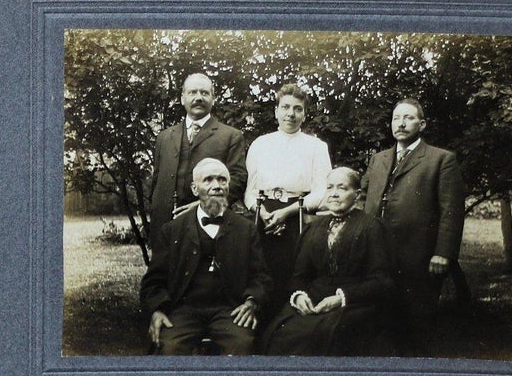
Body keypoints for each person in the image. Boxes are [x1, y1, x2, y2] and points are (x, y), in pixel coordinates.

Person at [361, 97, 467, 346]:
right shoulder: (379, 159)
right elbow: (361, 197)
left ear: (422, 124)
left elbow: (451, 210)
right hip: (377, 256)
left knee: (416, 327)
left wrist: (443, 253)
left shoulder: (441, 159)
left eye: (408, 118)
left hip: (419, 257)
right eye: (396, 118)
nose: (401, 123)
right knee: (380, 325)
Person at [261, 168, 397, 357]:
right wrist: (299, 296)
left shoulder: (372, 227)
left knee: (325, 334)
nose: (334, 194)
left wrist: (341, 298)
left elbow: (382, 281)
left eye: (342, 188)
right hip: (314, 300)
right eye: (330, 187)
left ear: (356, 195)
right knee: (282, 331)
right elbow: (299, 277)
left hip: (355, 303)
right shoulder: (313, 228)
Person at [140, 158, 270, 355]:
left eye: (222, 180)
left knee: (242, 345)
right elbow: (153, 281)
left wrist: (251, 302)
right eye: (208, 180)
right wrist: (157, 310)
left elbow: (261, 276)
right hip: (183, 311)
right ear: (194, 188)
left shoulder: (246, 229)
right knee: (170, 347)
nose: (216, 186)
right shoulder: (173, 230)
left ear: (228, 186)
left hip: (229, 310)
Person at [242, 85, 333, 319]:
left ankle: (288, 330)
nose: (290, 114)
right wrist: (263, 213)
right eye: (285, 107)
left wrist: (287, 213)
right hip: (263, 216)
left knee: (294, 273)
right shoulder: (260, 144)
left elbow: (321, 191)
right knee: (260, 270)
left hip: (299, 217)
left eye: (297, 109)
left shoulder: (316, 147)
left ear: (304, 114)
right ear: (276, 111)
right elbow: (249, 192)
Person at [147, 73, 248, 227]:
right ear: (182, 98)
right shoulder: (164, 137)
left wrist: (201, 205)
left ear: (213, 99)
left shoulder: (231, 136)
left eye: (204, 93)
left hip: (208, 222)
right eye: (192, 92)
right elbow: (157, 183)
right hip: (164, 226)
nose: (198, 97)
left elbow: (237, 181)